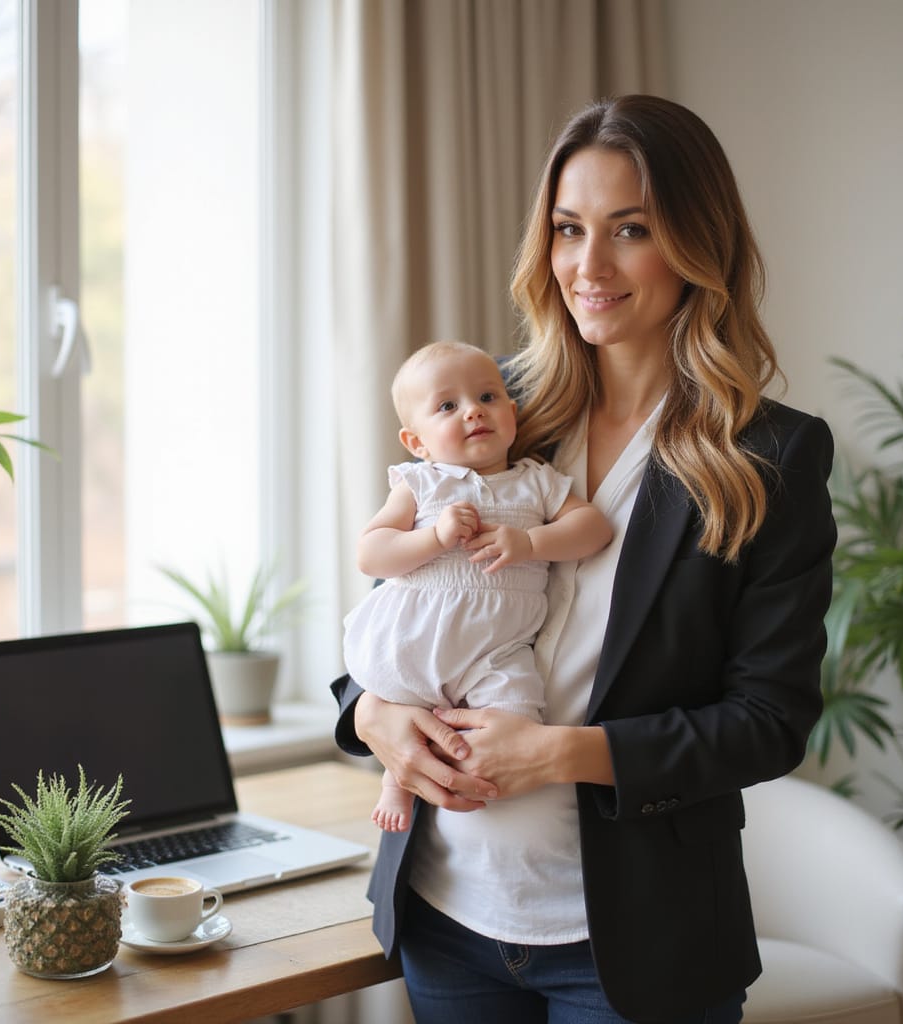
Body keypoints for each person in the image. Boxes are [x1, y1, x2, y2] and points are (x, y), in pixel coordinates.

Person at [332, 95, 835, 1024]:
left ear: (696, 243)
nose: (588, 267)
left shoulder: (770, 457)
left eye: (630, 229)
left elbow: (770, 720)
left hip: (638, 947)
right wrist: (374, 719)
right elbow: (393, 606)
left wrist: (560, 753)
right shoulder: (491, 408)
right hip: (448, 915)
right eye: (568, 230)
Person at [343, 340, 613, 832]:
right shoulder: (421, 484)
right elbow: (371, 553)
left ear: (512, 412)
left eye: (488, 398)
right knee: (406, 709)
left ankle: (481, 785)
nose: (473, 412)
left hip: (499, 648)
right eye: (448, 406)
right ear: (416, 442)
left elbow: (593, 529)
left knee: (515, 710)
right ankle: (394, 781)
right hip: (419, 634)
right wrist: (434, 536)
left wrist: (531, 543)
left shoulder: (537, 482)